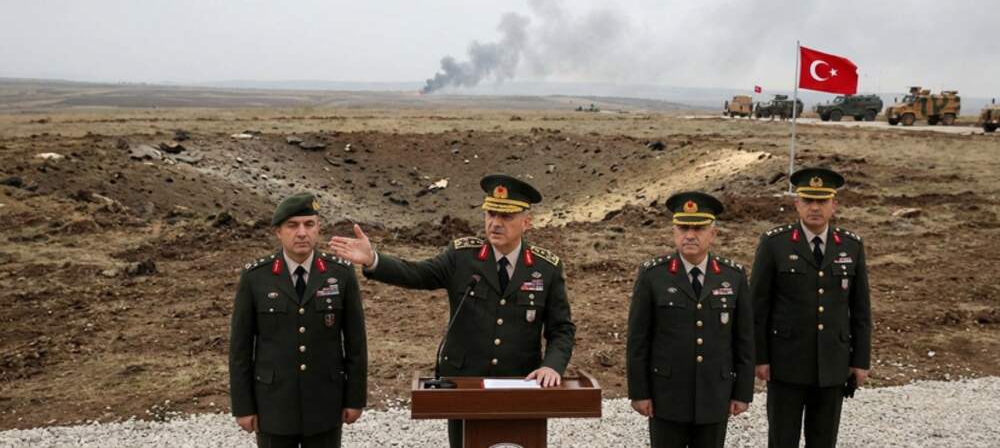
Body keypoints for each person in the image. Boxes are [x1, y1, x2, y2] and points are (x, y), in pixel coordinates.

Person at [328, 174, 575, 448]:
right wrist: (373, 260)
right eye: (491, 214)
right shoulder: (462, 257)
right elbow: (417, 273)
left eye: (506, 216)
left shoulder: (545, 268)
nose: (495, 223)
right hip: (465, 383)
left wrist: (552, 365)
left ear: (526, 222)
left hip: (520, 383)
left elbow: (561, 329)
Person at [229, 192, 367, 448]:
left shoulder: (341, 273)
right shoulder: (255, 277)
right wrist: (243, 406)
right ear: (278, 232)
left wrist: (354, 399)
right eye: (292, 225)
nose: (302, 233)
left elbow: (356, 344)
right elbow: (240, 349)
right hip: (273, 405)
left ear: (318, 228)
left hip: (325, 402)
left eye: (309, 224)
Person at [751, 168, 871, 448]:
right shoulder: (775, 244)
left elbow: (860, 309)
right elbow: (757, 307)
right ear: (797, 204)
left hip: (832, 363)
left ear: (834, 205)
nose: (815, 207)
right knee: (782, 439)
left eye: (822, 201)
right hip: (786, 363)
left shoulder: (851, 246)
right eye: (808, 200)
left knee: (824, 440)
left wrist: (860, 360)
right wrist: (760, 357)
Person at [627, 191, 754, 448]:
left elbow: (744, 339)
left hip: (714, 394)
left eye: (698, 228)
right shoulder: (653, 275)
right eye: (683, 228)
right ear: (674, 232)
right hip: (667, 395)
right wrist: (639, 393)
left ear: (713, 234)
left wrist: (742, 392)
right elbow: (638, 340)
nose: (690, 235)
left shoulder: (733, 276)